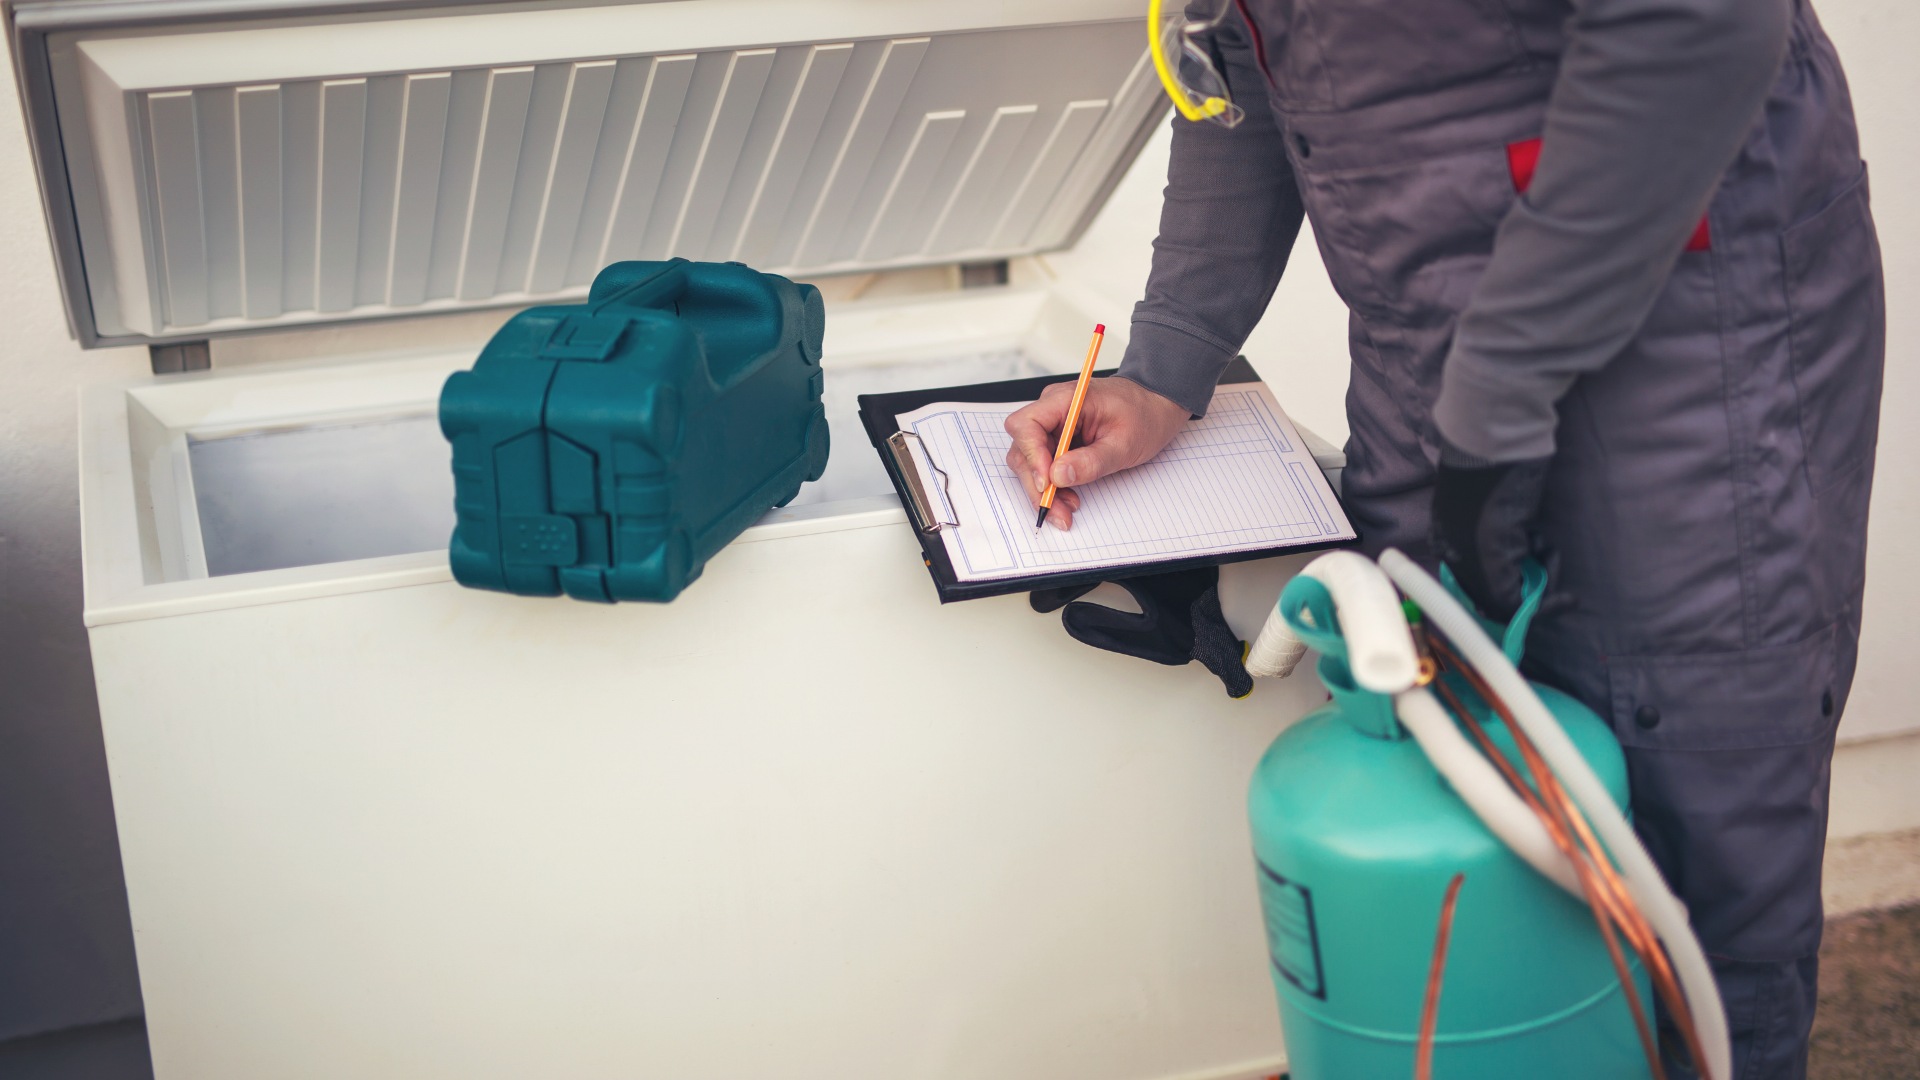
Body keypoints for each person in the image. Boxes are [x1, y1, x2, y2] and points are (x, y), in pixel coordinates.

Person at [1004, 1, 1884, 1077]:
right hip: (1431, 370)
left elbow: (1690, 26)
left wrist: (1503, 385)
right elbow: (1228, 53)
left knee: (1681, 878)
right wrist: (1163, 366)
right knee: (1456, 816)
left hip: (1679, 350)